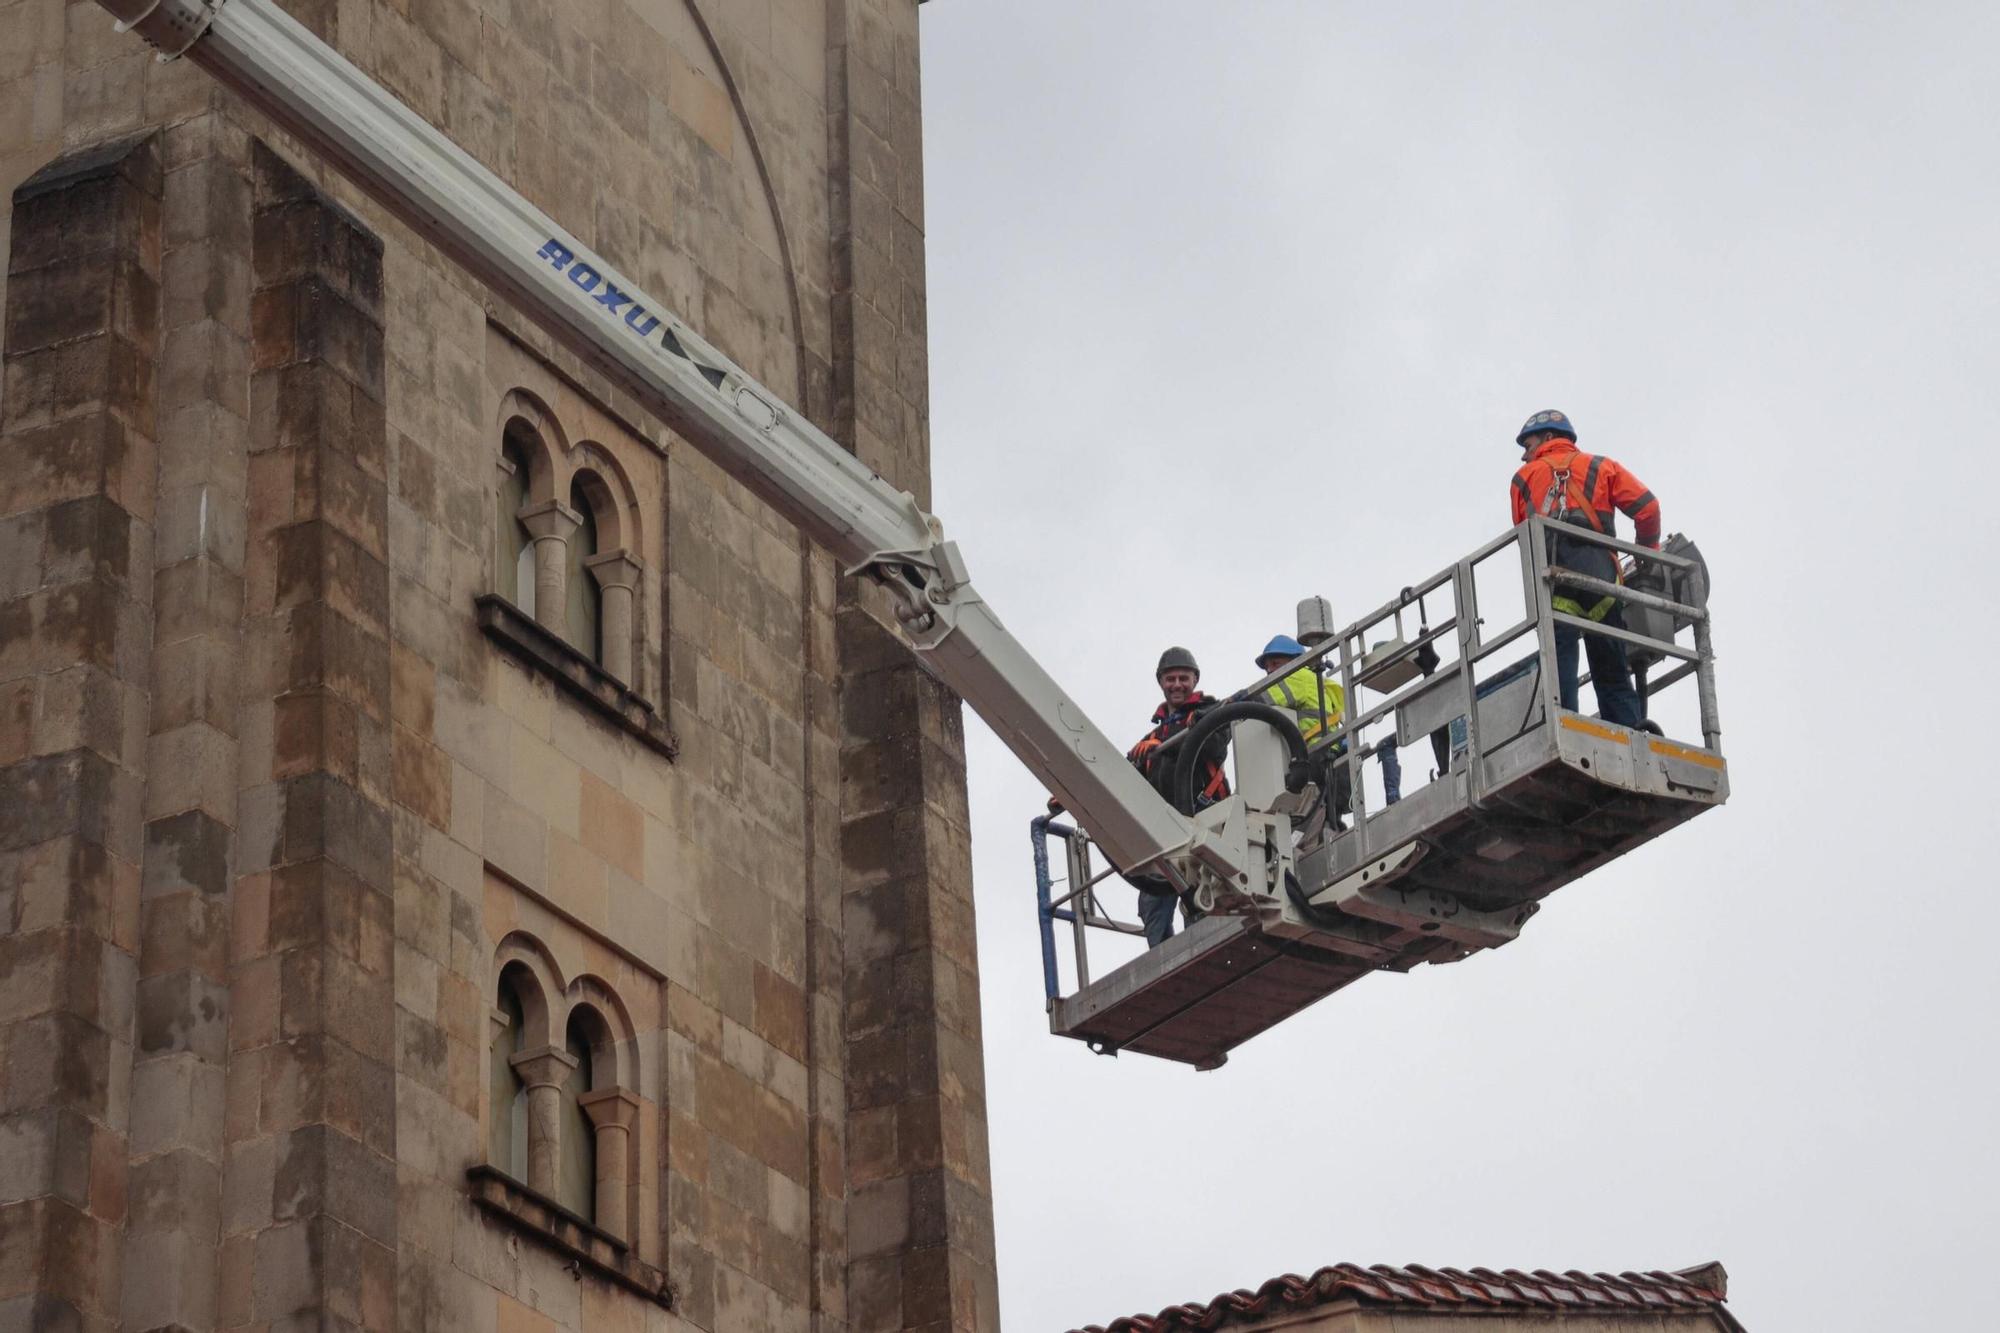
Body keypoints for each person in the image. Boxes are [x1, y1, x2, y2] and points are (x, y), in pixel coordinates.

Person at [1509, 409, 1660, 729]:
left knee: (1561, 667)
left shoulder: (1523, 479)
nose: (1524, 455)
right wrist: (1648, 550)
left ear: (1549, 438)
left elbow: (1524, 539)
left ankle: (1565, 729)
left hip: (1556, 583)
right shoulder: (1601, 466)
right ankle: (1629, 733)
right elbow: (1648, 508)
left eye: (1528, 444)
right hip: (1602, 584)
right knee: (1612, 670)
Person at [1123, 646, 1230, 946]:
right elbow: (1121, 775)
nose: (1177, 685)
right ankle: (1165, 958)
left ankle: (1203, 950)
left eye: (1183, 678)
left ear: (1195, 679)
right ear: (1161, 682)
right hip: (1164, 832)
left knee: (1201, 895)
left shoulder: (1209, 712)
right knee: (1153, 903)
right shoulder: (1149, 740)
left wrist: (1163, 742)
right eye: (1171, 679)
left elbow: (1215, 746)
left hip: (1202, 823)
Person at [1254, 635, 1346, 842]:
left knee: (1302, 810)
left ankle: (1298, 843)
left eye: (1276, 664)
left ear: (1294, 661)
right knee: (1324, 811)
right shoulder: (1316, 681)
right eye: (1267, 667)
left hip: (1315, 754)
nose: (1270, 671)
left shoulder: (1297, 676)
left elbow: (1262, 699)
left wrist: (1234, 702)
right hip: (1329, 755)